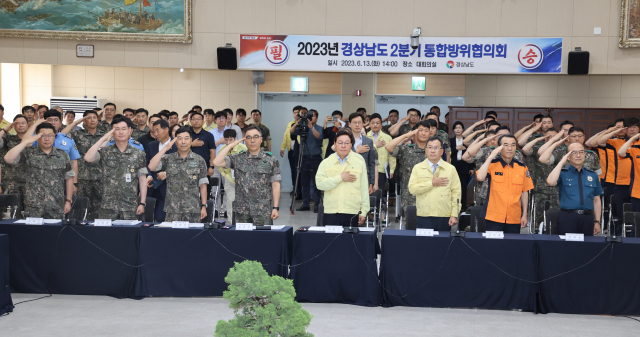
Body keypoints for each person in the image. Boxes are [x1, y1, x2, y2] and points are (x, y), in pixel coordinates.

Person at [4, 123, 75, 219]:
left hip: (56, 206)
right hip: (34, 207)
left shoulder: (62, 155)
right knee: (34, 234)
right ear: (37, 137)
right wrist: (25, 142)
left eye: (50, 135)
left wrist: (68, 201)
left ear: (55, 136)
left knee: (55, 233)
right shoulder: (29, 153)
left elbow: (69, 178)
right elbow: (8, 159)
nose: (47, 139)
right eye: (43, 136)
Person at [213, 126, 281, 225]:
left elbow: (276, 185)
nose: (252, 140)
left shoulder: (271, 160)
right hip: (241, 212)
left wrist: (275, 208)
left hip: (262, 211)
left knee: (263, 239)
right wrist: (230, 146)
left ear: (261, 139)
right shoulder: (237, 158)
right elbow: (217, 162)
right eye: (248, 137)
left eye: (256, 137)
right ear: (245, 140)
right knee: (242, 239)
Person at [84, 117, 148, 220]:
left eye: (124, 129)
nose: (121, 132)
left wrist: (142, 203)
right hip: (107, 206)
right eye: (116, 129)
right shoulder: (105, 152)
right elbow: (88, 158)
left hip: (130, 206)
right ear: (112, 132)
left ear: (130, 130)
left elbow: (142, 179)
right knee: (106, 235)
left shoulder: (138, 154)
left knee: (129, 235)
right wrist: (102, 139)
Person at [148, 128, 208, 222]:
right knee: (172, 236)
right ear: (175, 141)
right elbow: (151, 166)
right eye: (179, 138)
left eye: (186, 138)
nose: (183, 142)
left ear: (191, 140)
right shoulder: (168, 158)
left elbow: (203, 185)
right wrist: (165, 149)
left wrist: (204, 206)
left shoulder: (199, 160)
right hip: (172, 211)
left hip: (192, 210)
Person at [476, 134, 534, 233]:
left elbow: (525, 192)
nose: (509, 148)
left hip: (514, 217)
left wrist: (524, 215)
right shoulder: (492, 164)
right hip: (494, 216)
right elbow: (480, 177)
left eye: (513, 145)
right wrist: (490, 157)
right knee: (494, 246)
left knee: (511, 247)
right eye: (505, 145)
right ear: (500, 147)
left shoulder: (522, 167)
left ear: (516, 147)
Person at [315, 128, 368, 227]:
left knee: (350, 242)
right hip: (331, 212)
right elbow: (319, 184)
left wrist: (364, 211)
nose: (343, 146)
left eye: (347, 143)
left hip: (352, 211)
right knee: (331, 241)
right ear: (335, 144)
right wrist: (340, 178)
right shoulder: (326, 163)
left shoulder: (359, 163)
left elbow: (364, 189)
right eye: (340, 143)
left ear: (351, 144)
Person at [547, 143, 603, 236]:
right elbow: (550, 182)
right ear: (568, 156)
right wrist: (562, 162)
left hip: (587, 218)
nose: (578, 155)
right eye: (574, 153)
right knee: (567, 248)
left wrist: (597, 221)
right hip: (568, 217)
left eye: (581, 152)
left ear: (585, 154)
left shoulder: (592, 175)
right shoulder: (562, 173)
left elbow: (596, 200)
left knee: (587, 248)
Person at [598, 117, 640, 235]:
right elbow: (599, 142)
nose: (632, 129)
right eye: (629, 127)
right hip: (621, 184)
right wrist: (614, 131)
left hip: (636, 185)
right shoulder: (617, 142)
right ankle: (618, 238)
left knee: (636, 217)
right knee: (621, 214)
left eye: (635, 127)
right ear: (625, 129)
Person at [463, 125, 524, 206]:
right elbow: (470, 152)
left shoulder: (516, 154)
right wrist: (486, 139)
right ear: (497, 137)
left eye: (507, 135)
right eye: (501, 135)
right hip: (489, 194)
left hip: (510, 195)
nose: (504, 137)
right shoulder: (488, 151)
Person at [409, 136, 461, 230]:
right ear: (425, 150)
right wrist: (431, 183)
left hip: (444, 216)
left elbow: (456, 193)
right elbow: (412, 189)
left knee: (443, 244)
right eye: (430, 147)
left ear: (442, 151)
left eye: (436, 148)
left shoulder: (450, 169)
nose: (433, 151)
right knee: (425, 244)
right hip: (424, 216)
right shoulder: (417, 168)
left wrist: (454, 214)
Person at [62, 110, 106, 221]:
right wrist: (75, 123)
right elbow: (62, 135)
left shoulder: (104, 135)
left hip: (100, 178)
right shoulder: (77, 134)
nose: (92, 120)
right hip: (82, 177)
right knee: (80, 209)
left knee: (99, 209)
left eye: (94, 117)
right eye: (88, 118)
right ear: (84, 121)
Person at [385, 120, 430, 215]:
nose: (423, 133)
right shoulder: (407, 150)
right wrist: (405, 136)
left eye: (426, 131)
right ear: (414, 133)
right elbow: (389, 147)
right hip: (410, 197)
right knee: (409, 227)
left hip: (429, 196)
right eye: (420, 130)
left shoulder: (433, 151)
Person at [522, 128, 560, 232]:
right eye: (549, 136)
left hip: (558, 189)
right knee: (539, 216)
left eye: (555, 136)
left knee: (556, 217)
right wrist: (541, 139)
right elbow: (525, 149)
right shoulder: (538, 148)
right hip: (540, 188)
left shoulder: (563, 149)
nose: (552, 138)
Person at [290, 108, 324, 212]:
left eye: (312, 116)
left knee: (316, 182)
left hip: (315, 158)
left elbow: (319, 137)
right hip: (303, 157)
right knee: (304, 182)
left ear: (316, 118)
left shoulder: (319, 128)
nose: (310, 118)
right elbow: (292, 132)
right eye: (309, 116)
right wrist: (296, 124)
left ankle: (317, 204)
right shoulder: (302, 127)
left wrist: (312, 128)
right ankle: (305, 204)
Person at [145, 119, 177, 222]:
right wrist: (148, 176)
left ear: (167, 129)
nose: (155, 134)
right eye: (153, 131)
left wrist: (167, 173)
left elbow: (180, 165)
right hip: (152, 186)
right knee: (148, 217)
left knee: (161, 217)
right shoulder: (151, 145)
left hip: (168, 187)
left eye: (158, 130)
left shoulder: (176, 145)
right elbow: (146, 163)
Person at [0, 115, 29, 215]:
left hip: (30, 182)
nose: (20, 125)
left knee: (30, 213)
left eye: (23, 123)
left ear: (28, 125)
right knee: (13, 213)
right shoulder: (9, 139)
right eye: (17, 123)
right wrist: (4, 129)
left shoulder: (35, 140)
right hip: (12, 182)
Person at [218, 129, 247, 220]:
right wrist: (223, 174)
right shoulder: (222, 149)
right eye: (226, 140)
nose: (228, 142)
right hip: (229, 179)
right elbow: (219, 163)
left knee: (243, 202)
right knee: (230, 201)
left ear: (235, 139)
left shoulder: (243, 148)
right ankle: (231, 223)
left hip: (242, 180)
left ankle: (243, 223)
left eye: (231, 140)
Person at [348, 112, 378, 194]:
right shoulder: (345, 140)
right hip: (348, 176)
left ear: (363, 124)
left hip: (364, 178)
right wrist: (356, 151)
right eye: (354, 122)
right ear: (350, 124)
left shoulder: (368, 141)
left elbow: (371, 163)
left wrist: (371, 183)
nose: (357, 125)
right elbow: (341, 157)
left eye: (359, 122)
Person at [367, 113, 395, 192]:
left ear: (381, 125)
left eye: (377, 123)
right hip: (368, 169)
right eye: (373, 123)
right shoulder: (365, 137)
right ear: (369, 124)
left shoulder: (387, 138)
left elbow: (392, 155)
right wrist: (375, 145)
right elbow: (364, 151)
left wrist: (392, 169)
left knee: (380, 191)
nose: (375, 125)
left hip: (382, 169)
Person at [450, 121, 473, 211]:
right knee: (452, 187)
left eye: (460, 128)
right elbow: (448, 153)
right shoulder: (450, 140)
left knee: (463, 187)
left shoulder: (467, 141)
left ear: (463, 129)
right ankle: (453, 207)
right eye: (456, 128)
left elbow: (471, 154)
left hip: (464, 166)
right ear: (453, 130)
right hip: (453, 165)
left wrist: (471, 167)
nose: (458, 129)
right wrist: (456, 148)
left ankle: (462, 207)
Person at [281, 106, 302, 196]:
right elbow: (286, 135)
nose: (296, 114)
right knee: (294, 171)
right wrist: (283, 147)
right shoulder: (290, 123)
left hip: (301, 151)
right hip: (292, 151)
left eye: (298, 112)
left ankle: (302, 191)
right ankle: (296, 190)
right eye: (294, 112)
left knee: (301, 172)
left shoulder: (305, 124)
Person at [618, 132, 640, 213]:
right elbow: (621, 153)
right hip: (637, 193)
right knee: (636, 222)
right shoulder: (635, 150)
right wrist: (632, 139)